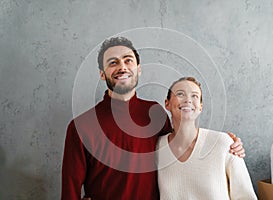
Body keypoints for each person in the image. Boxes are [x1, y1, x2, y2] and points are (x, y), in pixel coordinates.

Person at [61, 37, 245, 200]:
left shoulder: (154, 113)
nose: (122, 67)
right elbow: (69, 189)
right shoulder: (81, 126)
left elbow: (179, 148)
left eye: (128, 61)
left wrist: (230, 145)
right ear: (102, 74)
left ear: (138, 69)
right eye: (113, 63)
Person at [157, 77, 257, 200]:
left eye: (194, 96)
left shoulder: (223, 143)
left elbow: (245, 196)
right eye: (180, 94)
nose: (188, 100)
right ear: (167, 103)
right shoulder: (156, 148)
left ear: (200, 107)